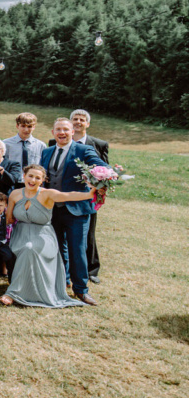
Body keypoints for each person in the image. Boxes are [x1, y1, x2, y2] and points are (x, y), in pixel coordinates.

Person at [1, 164, 93, 308]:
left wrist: (90, 194)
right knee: (25, 248)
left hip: (43, 235)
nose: (33, 180)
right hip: (20, 233)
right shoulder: (15, 194)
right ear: (24, 176)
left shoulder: (47, 194)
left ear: (42, 180)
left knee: (30, 248)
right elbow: (9, 219)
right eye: (30, 176)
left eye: (37, 178)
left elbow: (68, 196)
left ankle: (13, 293)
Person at [40, 118, 106, 305]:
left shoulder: (83, 150)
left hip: (76, 209)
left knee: (77, 250)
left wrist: (104, 178)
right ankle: (62, 282)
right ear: (53, 132)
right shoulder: (47, 151)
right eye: (58, 129)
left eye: (65, 129)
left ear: (72, 132)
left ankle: (81, 290)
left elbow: (101, 166)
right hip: (52, 209)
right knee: (57, 248)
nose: (62, 133)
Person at [66, 109, 110, 285]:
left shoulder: (98, 144)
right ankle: (67, 268)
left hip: (89, 195)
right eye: (75, 119)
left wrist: (99, 191)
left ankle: (92, 269)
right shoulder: (57, 141)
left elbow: (105, 171)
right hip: (66, 193)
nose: (78, 122)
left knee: (89, 232)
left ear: (87, 123)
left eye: (82, 119)